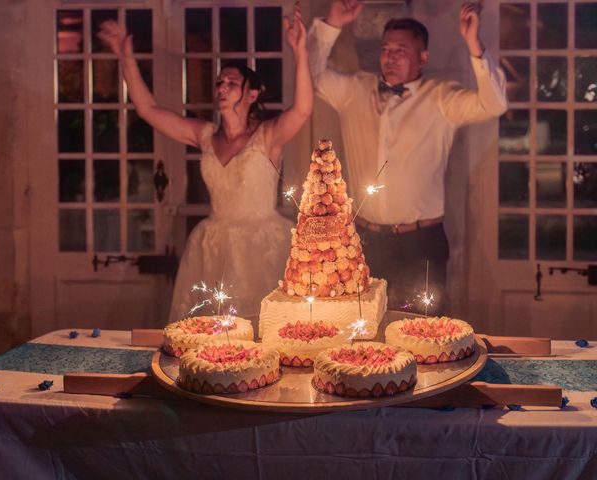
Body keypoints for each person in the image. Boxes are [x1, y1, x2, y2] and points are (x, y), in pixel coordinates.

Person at [98, 6, 312, 322]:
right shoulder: (204, 135)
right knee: (213, 334)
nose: (222, 88)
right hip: (213, 245)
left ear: (252, 94)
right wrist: (125, 58)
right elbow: (147, 109)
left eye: (232, 83)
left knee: (264, 328)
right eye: (219, 82)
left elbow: (303, 110)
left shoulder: (267, 135)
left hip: (263, 245)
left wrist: (299, 50)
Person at [307, 1, 507, 314]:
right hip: (362, 241)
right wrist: (331, 23)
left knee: (422, 336)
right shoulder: (354, 89)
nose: (391, 57)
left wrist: (473, 44)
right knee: (364, 333)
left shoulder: (441, 98)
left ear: (423, 57)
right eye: (386, 49)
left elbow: (494, 104)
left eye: (401, 50)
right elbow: (309, 75)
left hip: (421, 243)